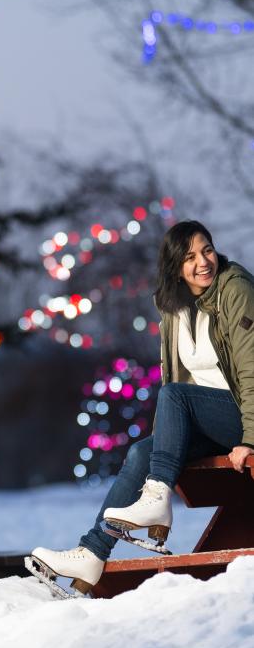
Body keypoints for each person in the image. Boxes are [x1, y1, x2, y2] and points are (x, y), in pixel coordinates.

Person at [27, 220, 254, 597]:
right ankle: (92, 553)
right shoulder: (172, 308)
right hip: (208, 421)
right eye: (190, 256)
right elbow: (177, 379)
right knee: (140, 453)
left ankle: (156, 501)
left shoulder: (236, 290)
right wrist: (168, 438)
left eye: (207, 250)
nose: (203, 262)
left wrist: (250, 437)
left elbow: (250, 369)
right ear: (174, 267)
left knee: (174, 395)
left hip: (243, 418)